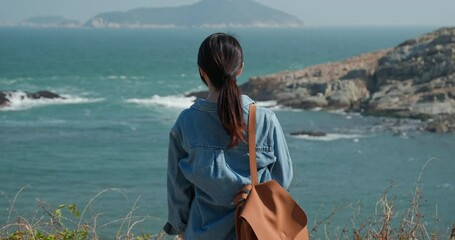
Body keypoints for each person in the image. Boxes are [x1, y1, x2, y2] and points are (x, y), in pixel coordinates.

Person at [163, 33, 293, 240]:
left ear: (202, 72)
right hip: (256, 233)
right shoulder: (265, 119)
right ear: (240, 68)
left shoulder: (186, 123)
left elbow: (178, 189)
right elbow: (282, 179)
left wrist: (179, 228)